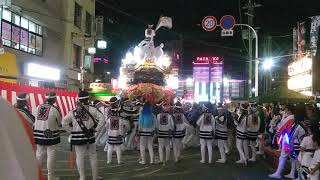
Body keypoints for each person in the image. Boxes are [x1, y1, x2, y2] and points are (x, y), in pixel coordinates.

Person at [62, 91, 105, 180]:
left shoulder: (73, 111)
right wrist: (96, 129)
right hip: (90, 136)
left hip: (78, 137)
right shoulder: (92, 109)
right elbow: (102, 118)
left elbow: (64, 122)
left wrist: (71, 131)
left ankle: (82, 177)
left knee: (80, 157)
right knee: (93, 156)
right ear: (88, 99)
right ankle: (95, 177)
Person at [0, 98, 45, 180]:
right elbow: (32, 120)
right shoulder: (15, 111)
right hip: (20, 140)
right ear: (24, 102)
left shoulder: (11, 108)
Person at [33, 92, 62, 180]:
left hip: (38, 134)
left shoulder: (38, 107)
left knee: (39, 155)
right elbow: (59, 122)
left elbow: (34, 119)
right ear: (54, 99)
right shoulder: (55, 109)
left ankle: (36, 175)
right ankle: (51, 177)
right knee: (51, 156)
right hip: (51, 135)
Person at [269, 104, 296, 178]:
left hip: (286, 139)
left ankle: (278, 173)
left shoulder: (289, 118)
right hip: (292, 139)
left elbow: (281, 128)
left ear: (289, 110)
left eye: (286, 109)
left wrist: (278, 134)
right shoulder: (293, 117)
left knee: (283, 156)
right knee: (292, 158)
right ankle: (292, 173)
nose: (285, 111)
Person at [106, 97, 129, 164]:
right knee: (118, 148)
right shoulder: (120, 119)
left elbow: (106, 126)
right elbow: (126, 126)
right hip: (118, 135)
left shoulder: (109, 119)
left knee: (110, 148)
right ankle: (119, 161)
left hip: (110, 135)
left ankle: (109, 161)